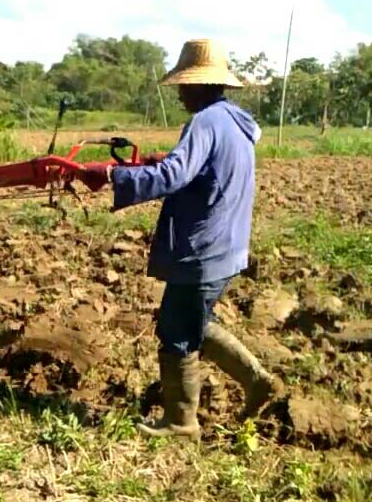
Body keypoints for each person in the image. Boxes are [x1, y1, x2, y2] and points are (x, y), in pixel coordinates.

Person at [79, 39, 280, 440]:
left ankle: (181, 421)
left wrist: (110, 176)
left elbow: (174, 177)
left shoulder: (204, 122)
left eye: (184, 86)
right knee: (197, 320)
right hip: (228, 245)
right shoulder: (235, 122)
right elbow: (196, 171)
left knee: (176, 331)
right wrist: (156, 161)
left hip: (204, 248)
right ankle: (257, 381)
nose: (180, 93)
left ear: (200, 85)